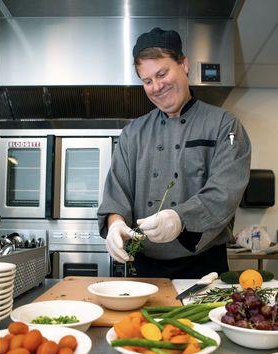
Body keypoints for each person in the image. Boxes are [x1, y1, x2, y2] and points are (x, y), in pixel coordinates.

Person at [97, 27, 251, 279]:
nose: (156, 86)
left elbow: (225, 192)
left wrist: (180, 218)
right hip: (144, 268)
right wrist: (115, 224)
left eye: (162, 73)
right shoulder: (132, 133)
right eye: (147, 81)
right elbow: (117, 193)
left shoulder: (225, 125)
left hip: (204, 267)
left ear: (184, 64)